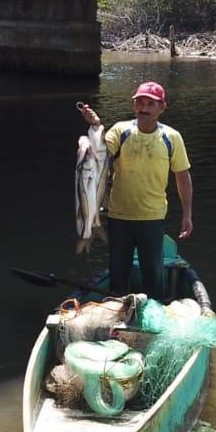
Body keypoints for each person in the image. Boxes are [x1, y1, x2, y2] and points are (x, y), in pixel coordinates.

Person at [79, 82, 192, 301]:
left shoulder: (172, 137)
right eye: (140, 102)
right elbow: (99, 153)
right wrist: (95, 126)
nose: (144, 108)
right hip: (119, 217)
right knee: (118, 280)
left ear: (162, 107)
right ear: (134, 105)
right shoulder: (121, 131)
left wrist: (187, 214)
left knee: (153, 280)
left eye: (151, 104)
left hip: (152, 218)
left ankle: (152, 322)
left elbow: (183, 177)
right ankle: (120, 317)